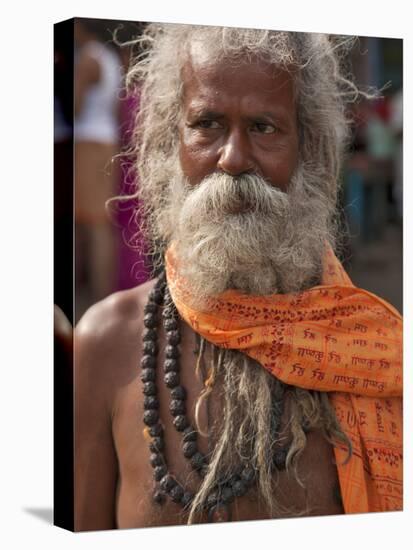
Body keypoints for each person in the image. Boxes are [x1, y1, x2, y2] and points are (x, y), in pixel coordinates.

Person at [74, 24, 402, 531]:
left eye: (264, 127)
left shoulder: (370, 354)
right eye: (206, 123)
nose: (232, 158)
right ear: (171, 140)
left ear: (308, 147)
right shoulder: (104, 343)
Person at [74, 19, 122, 316]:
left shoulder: (90, 56)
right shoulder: (110, 56)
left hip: (88, 143)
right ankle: (97, 296)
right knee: (97, 223)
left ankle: (95, 299)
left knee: (92, 224)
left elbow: (74, 106)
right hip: (105, 141)